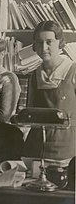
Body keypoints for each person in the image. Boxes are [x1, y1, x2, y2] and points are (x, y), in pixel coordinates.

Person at [23, 20, 76, 160]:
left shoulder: (73, 71)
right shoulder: (35, 75)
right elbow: (31, 112)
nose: (44, 47)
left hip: (67, 145)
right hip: (37, 145)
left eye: (49, 42)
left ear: (60, 42)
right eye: (39, 42)